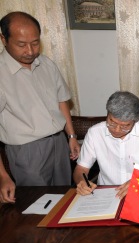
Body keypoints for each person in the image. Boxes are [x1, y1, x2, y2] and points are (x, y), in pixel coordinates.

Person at [0, 12, 80, 204]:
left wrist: (71, 136)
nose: (30, 51)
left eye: (35, 43)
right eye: (21, 44)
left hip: (59, 144)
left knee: (63, 201)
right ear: (3, 39)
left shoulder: (46, 64)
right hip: (27, 151)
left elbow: (62, 101)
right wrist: (3, 176)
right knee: (36, 205)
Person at [73, 91, 139, 199]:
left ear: (135, 121)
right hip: (107, 194)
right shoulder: (94, 133)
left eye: (125, 126)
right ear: (107, 114)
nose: (117, 130)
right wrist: (81, 182)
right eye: (112, 122)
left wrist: (137, 182)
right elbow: (80, 169)